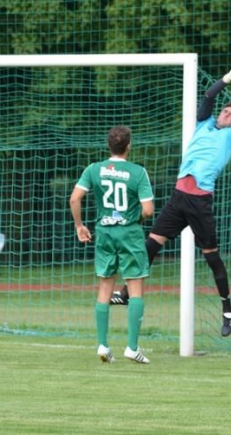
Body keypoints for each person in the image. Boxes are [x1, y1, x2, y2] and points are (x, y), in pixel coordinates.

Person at [110, 54, 231, 338]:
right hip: (178, 198)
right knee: (150, 245)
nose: (228, 115)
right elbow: (207, 97)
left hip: (200, 202)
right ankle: (128, 292)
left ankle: (228, 310)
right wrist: (229, 78)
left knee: (212, 257)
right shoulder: (203, 125)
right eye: (226, 112)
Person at [70, 126, 154, 364]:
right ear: (129, 145)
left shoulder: (94, 169)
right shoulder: (138, 172)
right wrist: (136, 218)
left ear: (109, 146)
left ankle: (103, 345)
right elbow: (148, 210)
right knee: (135, 288)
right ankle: (132, 347)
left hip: (104, 232)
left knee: (105, 288)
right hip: (130, 234)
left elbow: (74, 198)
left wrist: (79, 226)